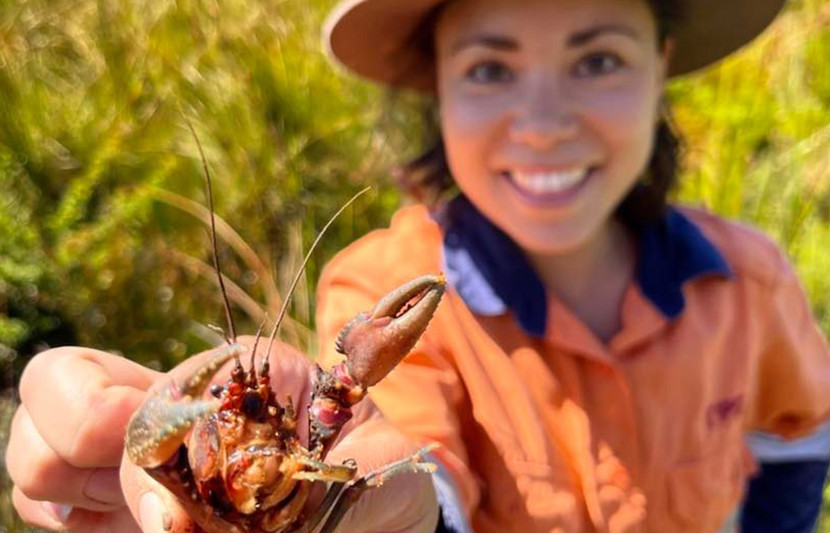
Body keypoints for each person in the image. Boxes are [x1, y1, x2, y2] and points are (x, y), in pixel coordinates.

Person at [6, 0, 830, 531]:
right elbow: (416, 481)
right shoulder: (377, 286)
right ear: (437, 89)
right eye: (490, 68)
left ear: (662, 66)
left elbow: (797, 440)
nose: (543, 123)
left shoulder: (750, 278)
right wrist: (366, 501)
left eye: (598, 59)